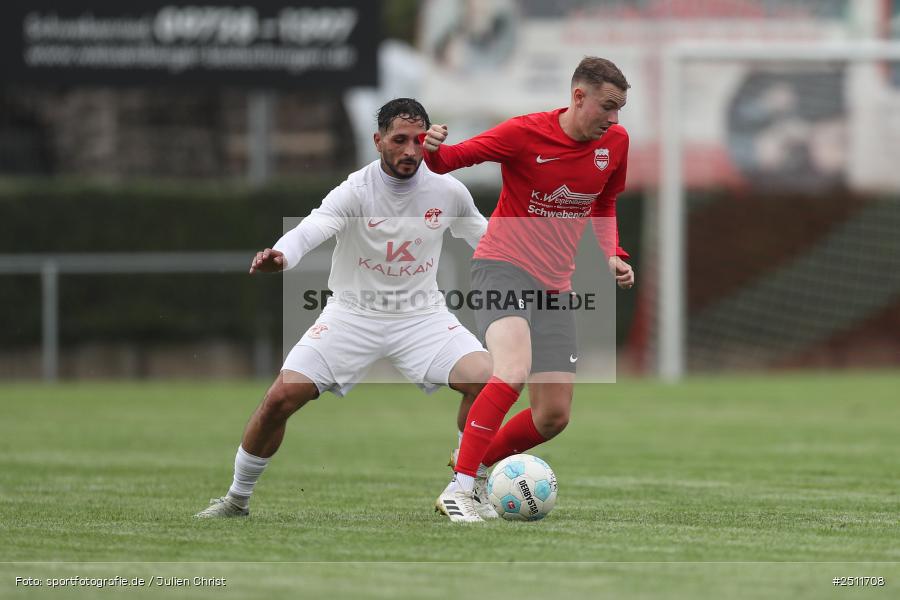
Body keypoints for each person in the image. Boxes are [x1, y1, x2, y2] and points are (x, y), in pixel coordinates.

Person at [195, 98, 495, 522]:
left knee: (487, 380)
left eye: (417, 140)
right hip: (352, 315)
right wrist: (282, 255)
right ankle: (235, 500)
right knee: (280, 398)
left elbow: (488, 241)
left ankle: (464, 488)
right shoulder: (356, 190)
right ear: (378, 141)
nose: (410, 150)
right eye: (399, 140)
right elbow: (313, 227)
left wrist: (535, 269)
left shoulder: (448, 191)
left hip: (422, 316)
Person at [423, 57, 636, 522]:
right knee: (512, 370)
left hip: (555, 286)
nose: (614, 117)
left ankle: (473, 463)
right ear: (578, 96)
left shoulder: (615, 143)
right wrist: (433, 148)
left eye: (620, 107)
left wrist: (613, 253)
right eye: (608, 105)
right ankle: (459, 490)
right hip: (502, 268)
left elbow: (604, 201)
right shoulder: (524, 133)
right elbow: (449, 161)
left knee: (553, 415)